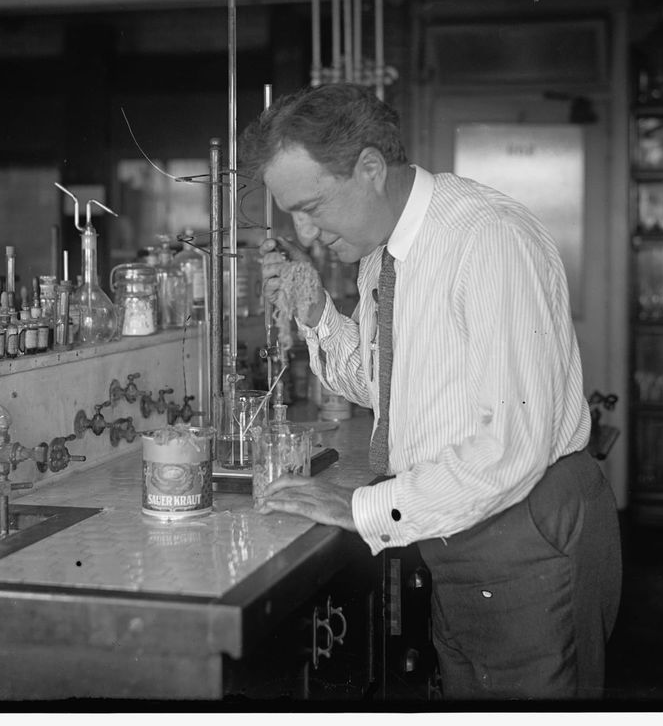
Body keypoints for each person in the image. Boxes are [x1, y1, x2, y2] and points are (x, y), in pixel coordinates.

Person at [239, 82, 621, 701]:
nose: (305, 234)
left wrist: (360, 509)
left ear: (370, 168)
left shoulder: (487, 239)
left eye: (312, 207)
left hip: (525, 532)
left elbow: (510, 447)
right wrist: (315, 312)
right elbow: (388, 386)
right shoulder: (383, 254)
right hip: (459, 525)